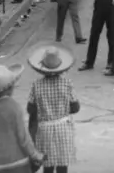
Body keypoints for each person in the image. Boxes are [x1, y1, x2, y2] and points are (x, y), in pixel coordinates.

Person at [0, 63, 45, 172]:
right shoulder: (13, 106)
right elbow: (23, 138)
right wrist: (34, 154)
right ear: (10, 87)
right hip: (16, 162)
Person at [26, 44, 81, 173]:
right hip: (63, 128)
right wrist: (62, 109)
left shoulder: (36, 85)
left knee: (48, 165)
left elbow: (30, 109)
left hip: (45, 130)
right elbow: (75, 107)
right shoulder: (67, 83)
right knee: (63, 164)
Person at [79, 0, 114, 72]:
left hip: (111, 2)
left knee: (111, 34)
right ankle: (89, 61)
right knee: (94, 33)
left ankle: (111, 61)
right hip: (99, 1)